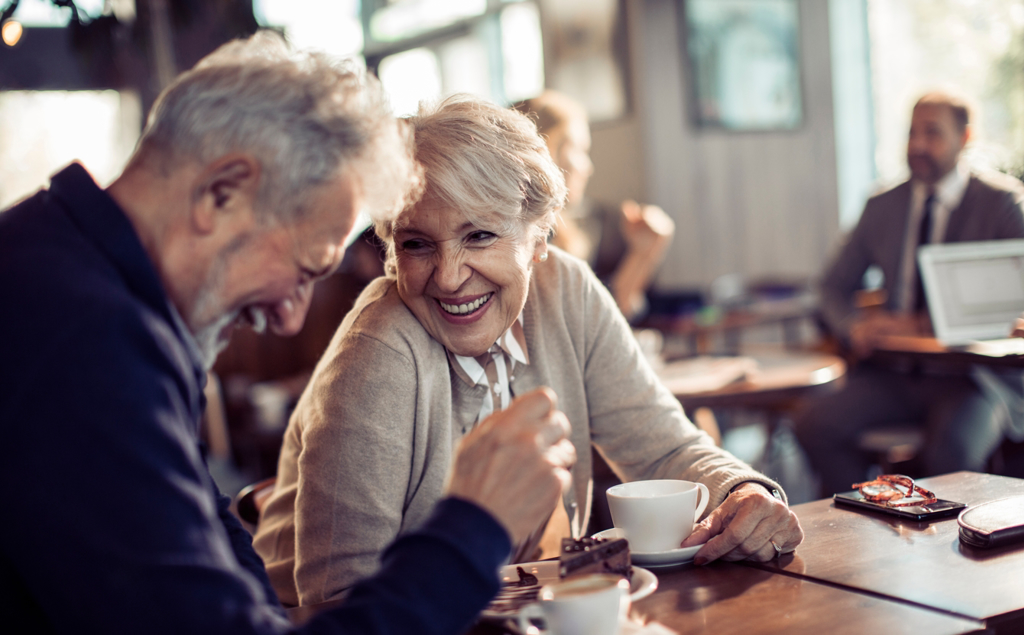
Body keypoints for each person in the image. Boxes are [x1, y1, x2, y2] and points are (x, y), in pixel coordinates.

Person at [0, 33, 576, 635]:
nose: (290, 320)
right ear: (222, 194)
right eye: (304, 270)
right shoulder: (82, 346)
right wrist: (474, 525)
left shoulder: (70, 276)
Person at [253, 94, 803, 606]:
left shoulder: (567, 290)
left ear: (539, 238)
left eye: (479, 236)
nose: (447, 278)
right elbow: (339, 595)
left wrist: (744, 491)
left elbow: (661, 446)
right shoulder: (377, 352)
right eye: (417, 243)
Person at [795, 91, 1024, 496]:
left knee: (950, 455)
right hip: (895, 373)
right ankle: (862, 523)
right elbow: (831, 286)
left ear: (965, 137)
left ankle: (955, 550)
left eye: (932, 133)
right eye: (912, 133)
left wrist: (923, 324)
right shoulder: (883, 205)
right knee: (816, 424)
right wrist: (852, 326)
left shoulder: (1002, 204)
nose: (917, 145)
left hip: (972, 377)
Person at [514, 90, 675, 321]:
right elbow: (584, 327)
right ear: (545, 152)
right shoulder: (524, 239)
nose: (587, 167)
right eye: (579, 150)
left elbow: (601, 321)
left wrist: (643, 253)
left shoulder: (565, 231)